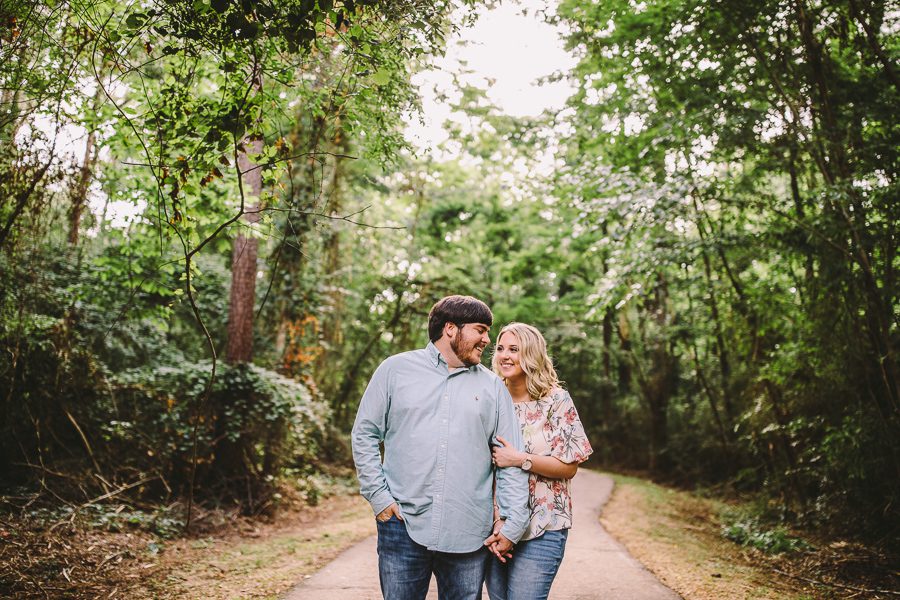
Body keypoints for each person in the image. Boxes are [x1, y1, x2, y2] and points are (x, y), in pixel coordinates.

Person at [352, 295, 530, 600]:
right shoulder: (394, 370)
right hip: (402, 526)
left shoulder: (493, 387)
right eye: (480, 330)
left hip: (469, 533)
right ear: (450, 328)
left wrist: (513, 523)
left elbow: (509, 459)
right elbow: (364, 434)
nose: (487, 340)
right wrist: (379, 497)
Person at [485, 322, 593, 600]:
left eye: (514, 349)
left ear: (531, 354)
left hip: (543, 526)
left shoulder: (556, 401)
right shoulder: (491, 400)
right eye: (500, 349)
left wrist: (519, 459)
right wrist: (498, 522)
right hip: (497, 526)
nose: (504, 355)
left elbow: (569, 467)